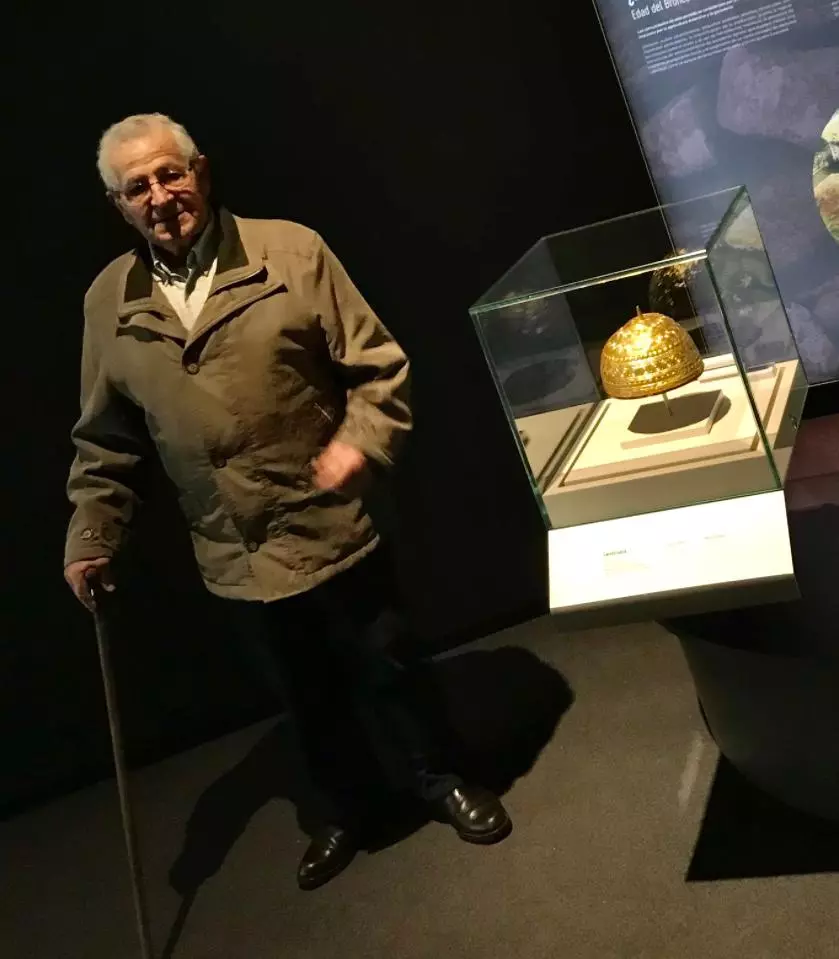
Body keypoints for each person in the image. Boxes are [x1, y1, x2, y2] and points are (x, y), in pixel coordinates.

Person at [63, 113, 511, 890]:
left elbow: (381, 370)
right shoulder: (109, 301)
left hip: (331, 520)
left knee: (388, 665)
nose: (161, 196)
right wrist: (92, 534)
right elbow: (105, 440)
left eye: (171, 174)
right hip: (232, 546)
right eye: (138, 187)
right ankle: (347, 808)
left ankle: (442, 779)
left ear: (200, 171)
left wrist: (359, 447)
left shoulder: (289, 251)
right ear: (119, 205)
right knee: (304, 698)